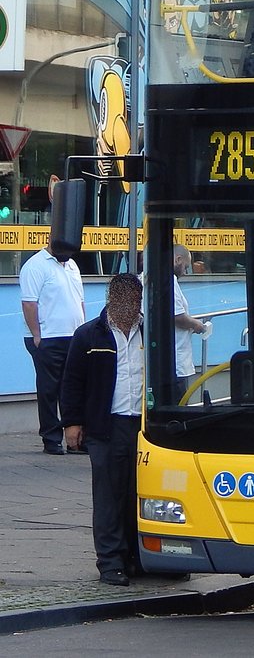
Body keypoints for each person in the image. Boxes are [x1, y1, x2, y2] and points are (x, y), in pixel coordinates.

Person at [61, 273, 144, 586]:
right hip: (105, 426)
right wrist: (71, 423)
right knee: (109, 497)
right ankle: (110, 562)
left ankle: (137, 557)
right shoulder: (89, 335)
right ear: (113, 300)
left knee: (137, 495)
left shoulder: (149, 332)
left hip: (142, 426)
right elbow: (72, 382)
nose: (133, 307)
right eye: (127, 301)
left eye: (136, 301)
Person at [19, 243, 86, 455]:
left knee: (72, 389)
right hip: (48, 337)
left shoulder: (72, 265)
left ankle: (74, 438)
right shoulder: (35, 266)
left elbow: (79, 300)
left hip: (73, 336)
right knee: (49, 390)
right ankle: (51, 438)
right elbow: (29, 303)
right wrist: (37, 336)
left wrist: (82, 329)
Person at [171, 245, 209, 400]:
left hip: (176, 359)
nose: (185, 273)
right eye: (186, 267)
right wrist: (196, 324)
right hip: (176, 362)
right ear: (178, 260)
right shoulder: (169, 281)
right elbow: (177, 316)